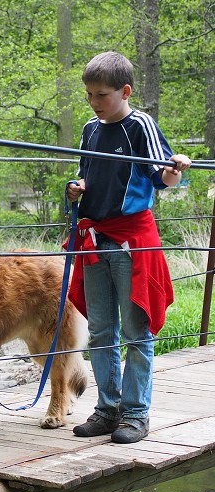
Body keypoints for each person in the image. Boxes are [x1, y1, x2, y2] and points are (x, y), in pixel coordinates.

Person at [66, 51, 192, 444]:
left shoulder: (140, 125)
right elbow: (86, 175)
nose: (93, 102)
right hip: (94, 239)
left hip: (132, 241)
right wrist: (75, 189)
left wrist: (176, 168)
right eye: (88, 94)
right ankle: (108, 409)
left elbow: (164, 179)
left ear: (125, 91)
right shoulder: (90, 129)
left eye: (101, 95)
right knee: (101, 330)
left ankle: (136, 415)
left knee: (136, 331)